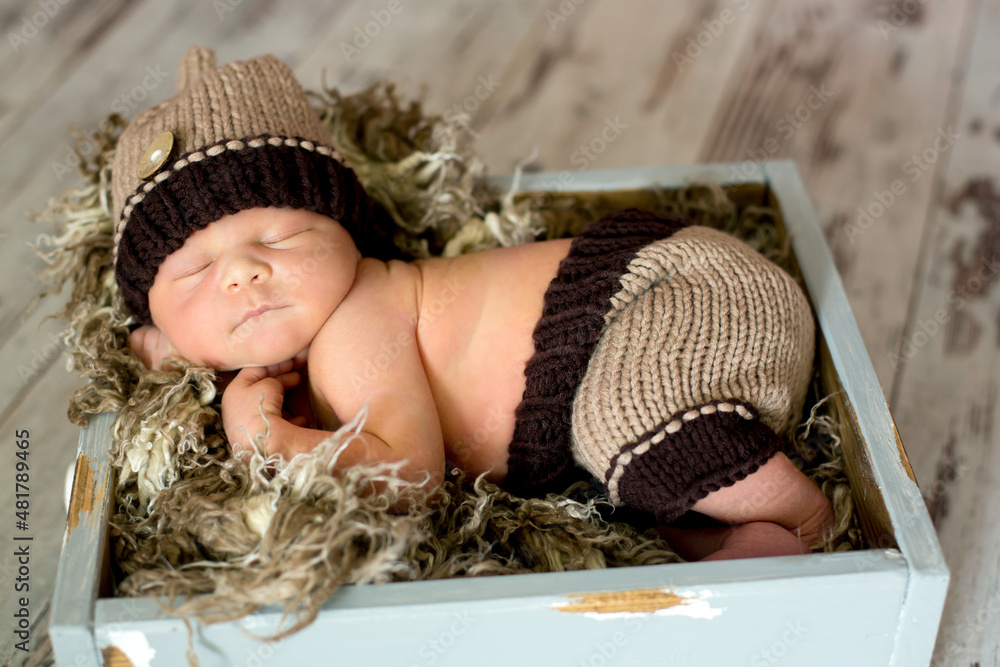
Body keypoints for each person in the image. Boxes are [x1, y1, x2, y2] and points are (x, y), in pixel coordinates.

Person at [120, 46, 832, 561]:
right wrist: (174, 350)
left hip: (669, 296)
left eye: (281, 235)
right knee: (637, 491)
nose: (242, 272)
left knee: (621, 416)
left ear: (346, 233)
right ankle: (730, 533)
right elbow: (209, 341)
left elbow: (412, 477)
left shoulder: (359, 317)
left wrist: (271, 443)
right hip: (668, 309)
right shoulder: (287, 347)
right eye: (196, 271)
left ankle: (799, 519)